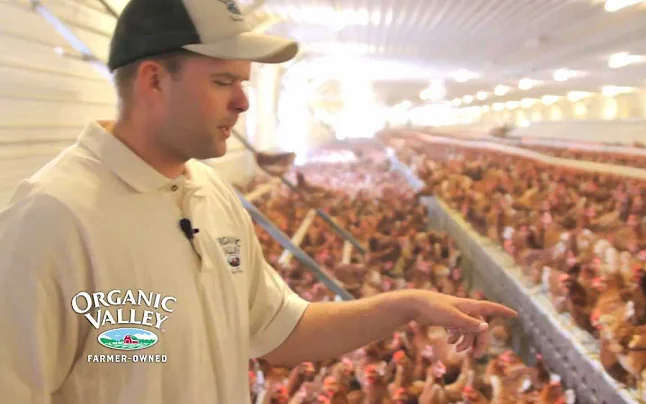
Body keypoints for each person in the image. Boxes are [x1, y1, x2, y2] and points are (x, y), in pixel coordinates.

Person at [0, 0, 516, 403]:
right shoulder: (49, 221)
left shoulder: (210, 194)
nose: (243, 102)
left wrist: (405, 306)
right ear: (154, 80)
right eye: (223, 81)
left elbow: (282, 333)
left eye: (244, 83)